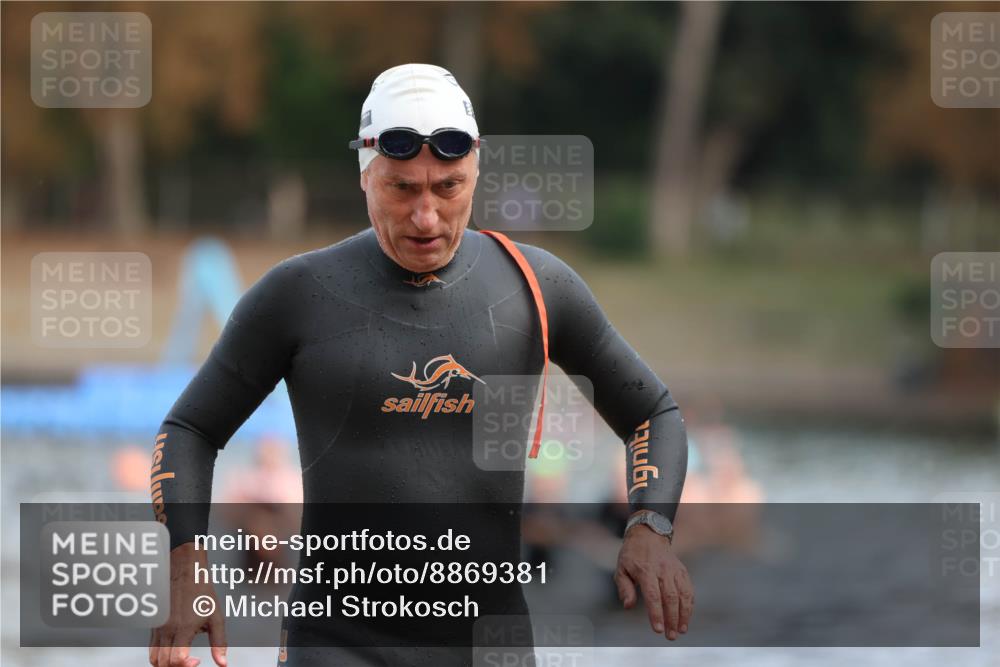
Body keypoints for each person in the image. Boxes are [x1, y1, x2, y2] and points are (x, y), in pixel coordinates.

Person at [149, 63, 692, 667]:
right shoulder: (298, 294)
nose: (426, 217)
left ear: (476, 168)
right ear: (366, 174)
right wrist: (187, 565)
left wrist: (650, 526)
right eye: (402, 188)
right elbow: (190, 431)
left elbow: (653, 411)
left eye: (448, 187)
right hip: (336, 647)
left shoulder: (535, 287)